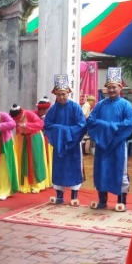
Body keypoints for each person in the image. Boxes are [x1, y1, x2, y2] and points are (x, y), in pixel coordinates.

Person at [87, 67, 132, 211]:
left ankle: (121, 201)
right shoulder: (100, 105)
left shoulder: (126, 105)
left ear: (120, 87)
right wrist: (108, 128)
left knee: (120, 171)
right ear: (105, 88)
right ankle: (102, 200)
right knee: (101, 170)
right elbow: (91, 121)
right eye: (109, 87)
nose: (111, 90)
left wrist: (107, 128)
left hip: (118, 145)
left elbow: (129, 124)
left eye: (114, 87)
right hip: (102, 145)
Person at [43, 74, 86, 206]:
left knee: (74, 167)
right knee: (59, 168)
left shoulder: (75, 107)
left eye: (64, 94)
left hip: (73, 144)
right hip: (59, 144)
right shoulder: (53, 109)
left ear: (68, 93)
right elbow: (47, 125)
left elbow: (82, 125)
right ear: (55, 94)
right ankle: (59, 196)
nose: (61, 97)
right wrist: (61, 132)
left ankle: (74, 196)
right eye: (59, 94)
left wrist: (66, 133)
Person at [10, 104, 47, 194]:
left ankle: (37, 185)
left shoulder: (29, 114)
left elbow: (41, 124)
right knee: (23, 160)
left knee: (35, 160)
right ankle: (24, 184)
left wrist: (27, 125)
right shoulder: (14, 117)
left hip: (34, 137)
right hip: (22, 138)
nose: (17, 120)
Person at [35, 96, 53, 189]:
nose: (42, 111)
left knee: (49, 158)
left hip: (48, 138)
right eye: (40, 109)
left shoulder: (52, 114)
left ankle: (50, 179)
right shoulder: (35, 114)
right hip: (38, 139)